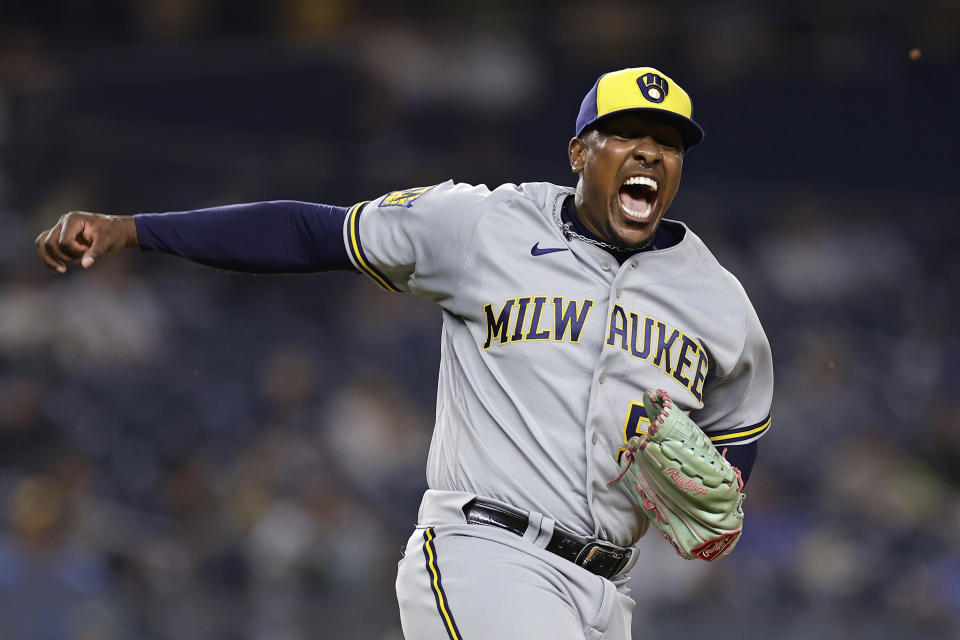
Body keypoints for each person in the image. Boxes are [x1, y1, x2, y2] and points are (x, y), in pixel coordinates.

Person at [35, 66, 773, 639]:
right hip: (489, 553)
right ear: (579, 152)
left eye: (668, 142)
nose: (649, 150)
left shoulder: (718, 302)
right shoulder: (484, 225)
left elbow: (732, 458)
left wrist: (717, 495)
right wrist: (132, 229)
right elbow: (309, 233)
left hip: (609, 593)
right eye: (626, 133)